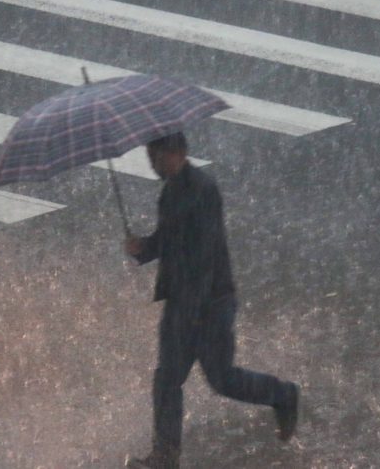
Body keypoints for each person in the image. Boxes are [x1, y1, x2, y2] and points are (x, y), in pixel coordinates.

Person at [125, 132, 299, 469]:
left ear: (176, 154)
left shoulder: (202, 190)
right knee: (167, 379)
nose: (153, 165)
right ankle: (165, 455)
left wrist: (196, 312)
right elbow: (166, 240)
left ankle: (283, 394)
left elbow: (204, 257)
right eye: (150, 158)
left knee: (222, 379)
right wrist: (142, 248)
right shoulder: (171, 191)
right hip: (181, 302)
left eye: (156, 158)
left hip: (209, 304)